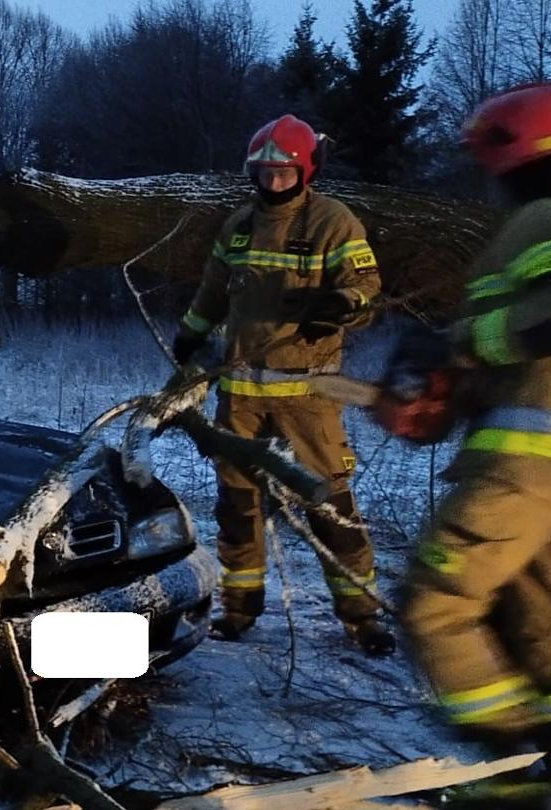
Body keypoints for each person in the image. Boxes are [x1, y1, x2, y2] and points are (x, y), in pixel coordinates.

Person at [390, 84, 551, 809]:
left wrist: (457, 344)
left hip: (528, 467)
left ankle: (520, 770)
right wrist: (445, 399)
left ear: (514, 149)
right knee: (537, 618)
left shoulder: (549, 218)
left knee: (434, 605)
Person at [171, 114, 396, 656]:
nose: (274, 182)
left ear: (305, 171)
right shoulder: (239, 226)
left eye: (285, 172)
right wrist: (191, 334)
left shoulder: (332, 221)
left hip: (306, 396)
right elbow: (213, 291)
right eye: (266, 172)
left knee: (330, 507)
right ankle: (239, 609)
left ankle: (362, 615)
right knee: (238, 507)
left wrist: (339, 305)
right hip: (241, 394)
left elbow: (366, 286)